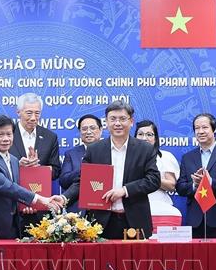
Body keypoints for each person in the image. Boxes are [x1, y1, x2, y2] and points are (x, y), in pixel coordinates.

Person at [61, 101, 160, 239]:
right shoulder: (95, 150)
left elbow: (153, 180)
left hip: (134, 219)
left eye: (122, 119)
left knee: (135, 261)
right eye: (113, 119)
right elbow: (82, 181)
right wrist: (64, 198)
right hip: (101, 222)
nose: (117, 123)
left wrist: (124, 191)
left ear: (131, 121)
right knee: (101, 260)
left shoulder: (145, 149)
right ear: (106, 122)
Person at [0, 115, 62, 239]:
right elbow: (7, 187)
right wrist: (41, 200)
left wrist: (29, 205)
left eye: (9, 134)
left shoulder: (14, 160)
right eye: (0, 135)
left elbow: (16, 190)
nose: (6, 139)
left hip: (10, 225)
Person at [176, 113, 216, 238]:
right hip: (195, 221)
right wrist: (194, 185)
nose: (200, 131)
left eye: (204, 127)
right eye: (197, 128)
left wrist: (210, 182)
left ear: (214, 129)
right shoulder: (187, 157)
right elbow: (180, 187)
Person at [133, 120, 182, 218]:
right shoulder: (128, 157)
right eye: (140, 134)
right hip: (134, 207)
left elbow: (171, 185)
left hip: (161, 209)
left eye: (149, 134)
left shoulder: (165, 156)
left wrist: (150, 178)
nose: (144, 138)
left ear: (155, 138)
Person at [59, 114, 103, 213]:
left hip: (103, 208)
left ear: (101, 130)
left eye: (92, 128)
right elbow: (64, 180)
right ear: (80, 132)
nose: (88, 132)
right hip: (78, 210)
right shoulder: (71, 154)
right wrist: (85, 170)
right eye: (84, 129)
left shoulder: (109, 151)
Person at [11, 92, 61, 179]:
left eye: (37, 113)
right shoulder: (8, 134)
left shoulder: (50, 137)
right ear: (18, 112)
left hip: (39, 189)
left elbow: (56, 171)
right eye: (29, 113)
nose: (33, 118)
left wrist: (39, 168)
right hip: (11, 189)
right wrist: (17, 166)